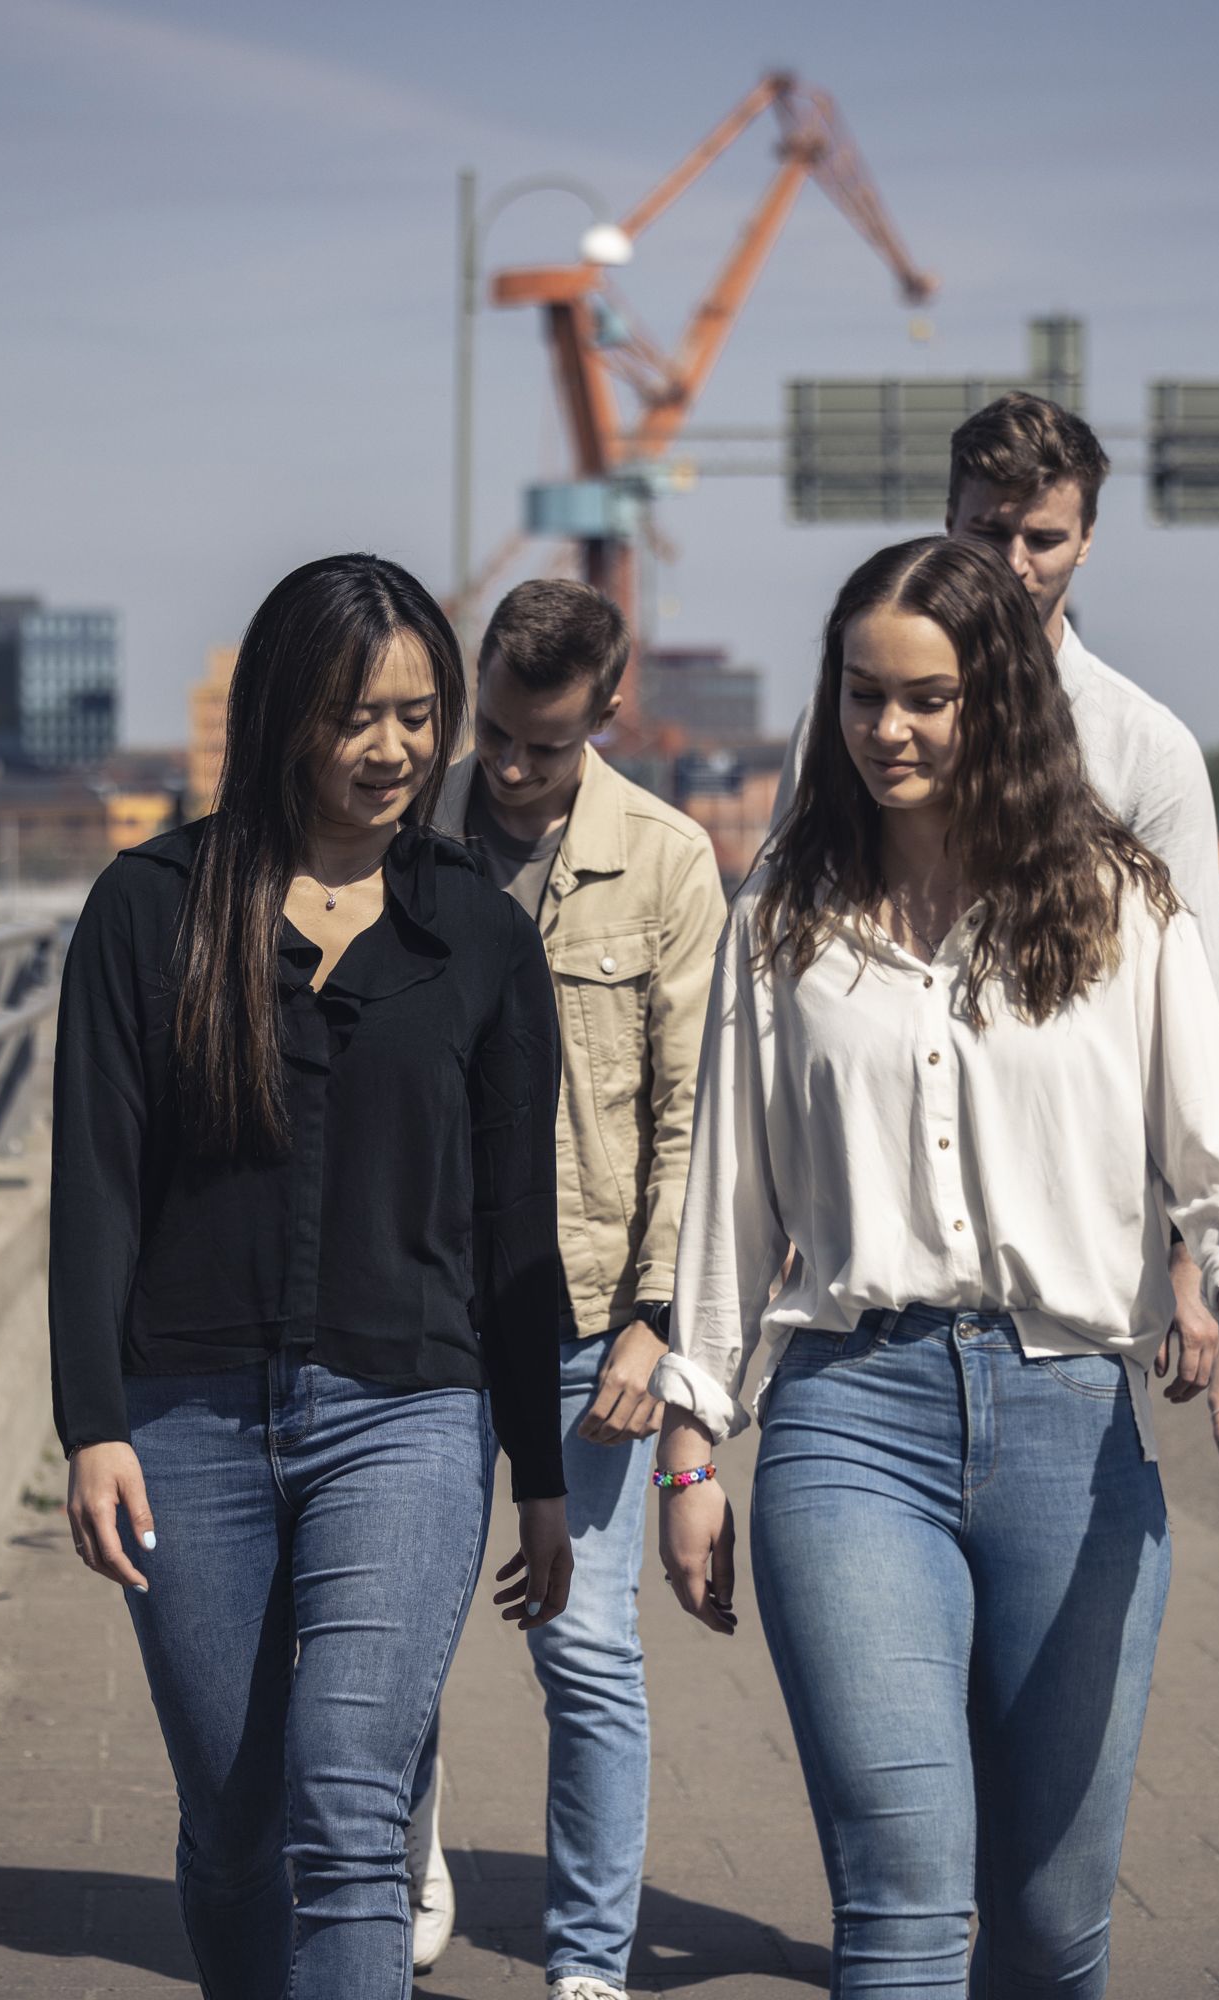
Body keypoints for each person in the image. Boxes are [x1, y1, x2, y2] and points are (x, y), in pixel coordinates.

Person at [653, 535, 1219, 1997]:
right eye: (864, 696)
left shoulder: (1116, 904)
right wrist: (693, 1445)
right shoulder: (783, 920)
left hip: (1069, 1436)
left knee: (1051, 1925)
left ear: (996, 699)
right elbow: (731, 1208)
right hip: (845, 1424)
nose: (891, 730)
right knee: (900, 1896)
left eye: (930, 698)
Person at [50, 553, 573, 2000]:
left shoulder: (476, 932)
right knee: (236, 1825)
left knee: (350, 1816)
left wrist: (539, 1465)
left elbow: (516, 1222)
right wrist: (92, 1420)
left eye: (420, 714)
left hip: (406, 1413)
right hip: (185, 1421)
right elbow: (94, 1188)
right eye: (358, 716)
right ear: (283, 713)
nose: (396, 749)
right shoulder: (148, 914)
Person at [776, 392, 1219, 1406]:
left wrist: (1192, 1260)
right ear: (948, 522)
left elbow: (1194, 1024)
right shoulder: (848, 727)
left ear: (1086, 542)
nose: (1014, 562)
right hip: (878, 1251)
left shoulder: (1143, 749)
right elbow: (782, 952)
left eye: (1043, 537)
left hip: (1067, 1263)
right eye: (989, 531)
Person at [410, 580, 728, 1996]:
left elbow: (690, 1116)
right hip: (411, 1297)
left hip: (589, 1310)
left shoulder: (666, 862)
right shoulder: (412, 838)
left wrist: (656, 1323)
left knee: (585, 1651)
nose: (514, 769)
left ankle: (589, 1961)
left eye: (544, 743)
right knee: (390, 1629)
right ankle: (396, 1876)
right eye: (495, 735)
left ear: (610, 709)